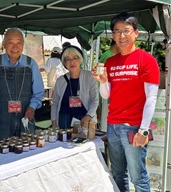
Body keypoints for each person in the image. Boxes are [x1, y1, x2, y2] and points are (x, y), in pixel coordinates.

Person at [92, 12, 160, 192]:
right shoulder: (110, 62)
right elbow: (106, 95)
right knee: (117, 174)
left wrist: (144, 130)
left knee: (138, 177)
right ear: (112, 35)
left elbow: (151, 98)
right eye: (117, 31)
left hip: (134, 127)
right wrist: (103, 81)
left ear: (136, 33)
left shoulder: (147, 60)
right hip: (113, 125)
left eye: (126, 31)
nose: (121, 36)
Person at [0, 27, 44, 140]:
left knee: (27, 149)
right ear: (4, 44)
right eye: (10, 43)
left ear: (23, 44)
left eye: (19, 42)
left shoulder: (31, 64)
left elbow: (38, 91)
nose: (15, 47)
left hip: (25, 115)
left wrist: (32, 107)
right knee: (1, 149)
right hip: (1, 117)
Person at [51, 45, 99, 129]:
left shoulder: (89, 77)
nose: (71, 62)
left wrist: (88, 116)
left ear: (80, 60)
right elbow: (55, 103)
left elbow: (95, 101)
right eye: (68, 59)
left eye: (75, 58)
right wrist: (54, 122)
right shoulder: (60, 80)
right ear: (64, 63)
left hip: (84, 119)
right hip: (64, 119)